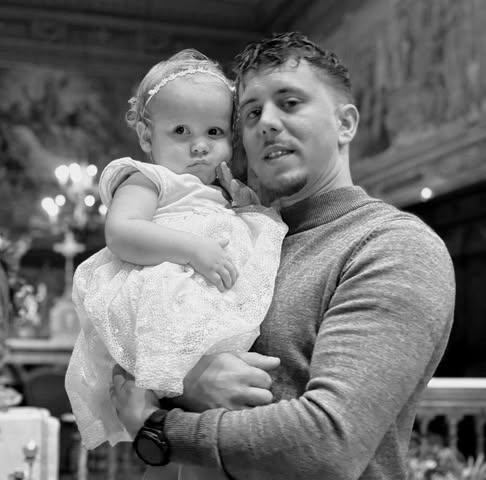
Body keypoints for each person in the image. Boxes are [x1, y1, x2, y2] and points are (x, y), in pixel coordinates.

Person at [110, 32, 455, 480]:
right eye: (252, 112)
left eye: (290, 103)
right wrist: (184, 375)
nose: (267, 123)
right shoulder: (236, 231)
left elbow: (330, 443)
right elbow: (128, 341)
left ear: (345, 124)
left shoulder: (391, 245)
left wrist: (160, 428)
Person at [64, 49, 287, 454]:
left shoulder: (221, 192)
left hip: (203, 303)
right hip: (157, 292)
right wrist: (192, 248)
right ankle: (158, 419)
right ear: (147, 136)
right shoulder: (149, 179)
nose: (199, 146)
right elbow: (122, 232)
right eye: (181, 131)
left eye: (214, 132)